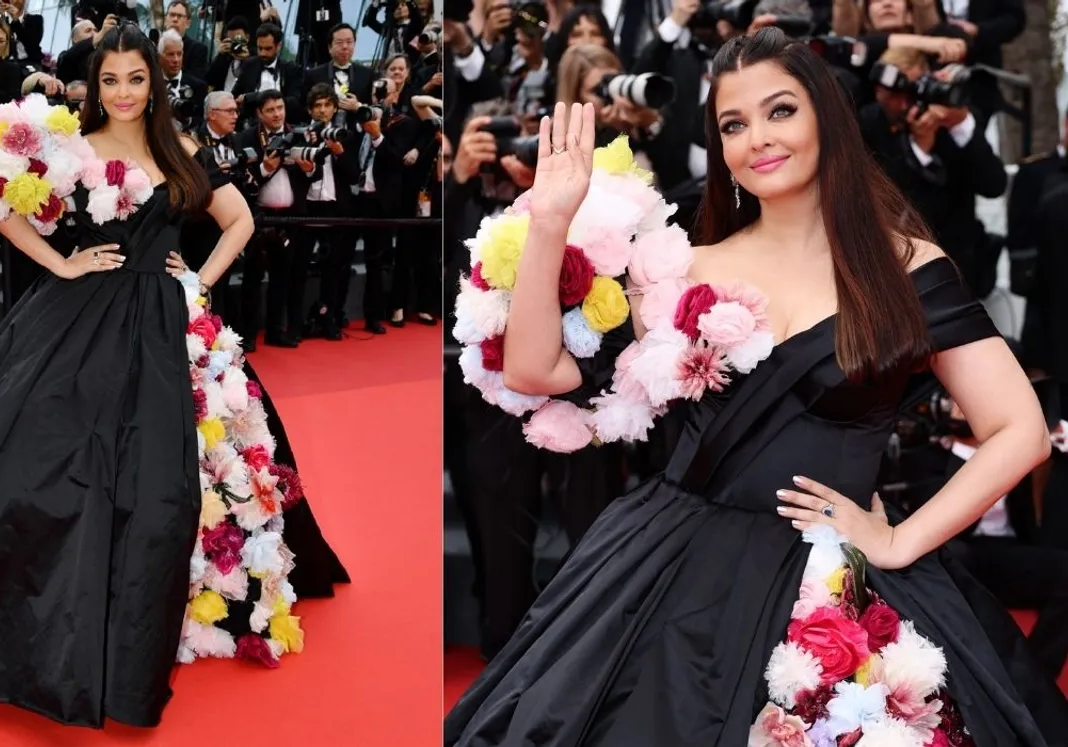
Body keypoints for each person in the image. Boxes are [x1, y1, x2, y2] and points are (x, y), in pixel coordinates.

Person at [446, 28, 1068, 745]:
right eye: (733, 125)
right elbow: (533, 370)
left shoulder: (908, 268)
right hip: (675, 567)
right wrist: (551, 221)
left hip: (835, 568)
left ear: (826, 119)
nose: (758, 139)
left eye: (780, 111)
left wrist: (900, 540)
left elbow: (1019, 429)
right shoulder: (685, 265)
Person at [0, 24, 346, 729]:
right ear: (95, 85)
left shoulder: (179, 148)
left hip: (163, 323)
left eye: (136, 79)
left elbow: (238, 219)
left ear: (155, 83)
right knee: (44, 460)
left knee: (162, 478)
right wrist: (60, 262)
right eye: (110, 80)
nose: (123, 93)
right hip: (75, 319)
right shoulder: (71, 146)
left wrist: (198, 282)